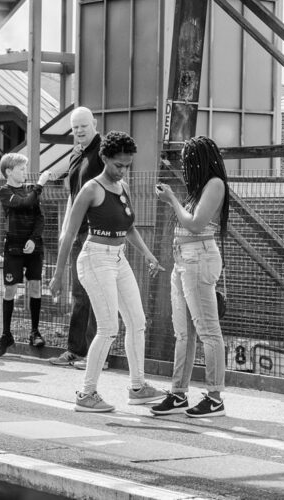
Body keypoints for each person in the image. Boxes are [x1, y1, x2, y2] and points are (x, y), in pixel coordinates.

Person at [50, 130, 164, 412]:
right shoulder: (91, 189)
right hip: (94, 258)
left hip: (118, 258)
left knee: (137, 321)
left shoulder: (121, 187)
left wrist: (149, 255)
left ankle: (138, 387)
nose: (122, 170)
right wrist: (57, 274)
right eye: (118, 165)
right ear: (104, 158)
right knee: (108, 327)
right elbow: (69, 233)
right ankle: (86, 394)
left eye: (127, 165)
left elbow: (129, 227)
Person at [151, 136, 230, 418]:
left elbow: (195, 224)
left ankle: (215, 396)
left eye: (187, 161)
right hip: (184, 261)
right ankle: (178, 393)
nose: (185, 167)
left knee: (208, 330)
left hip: (198, 259)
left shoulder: (215, 184)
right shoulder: (200, 188)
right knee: (183, 333)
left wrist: (171, 198)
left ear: (198, 161)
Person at [45, 107, 102, 368]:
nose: (79, 130)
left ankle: (96, 353)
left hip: (98, 233)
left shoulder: (102, 152)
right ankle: (75, 350)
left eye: (83, 125)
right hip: (78, 232)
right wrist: (66, 229)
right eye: (75, 126)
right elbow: (72, 196)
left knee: (96, 293)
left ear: (94, 124)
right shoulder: (76, 154)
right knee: (80, 294)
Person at [0, 153, 51, 356]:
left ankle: (35, 331)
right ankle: (6, 334)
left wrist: (33, 239)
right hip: (13, 248)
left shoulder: (30, 191)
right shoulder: (4, 191)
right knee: (10, 289)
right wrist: (40, 184)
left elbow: (40, 218)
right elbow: (23, 204)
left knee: (35, 286)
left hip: (33, 247)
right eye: (21, 169)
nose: (24, 173)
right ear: (9, 171)